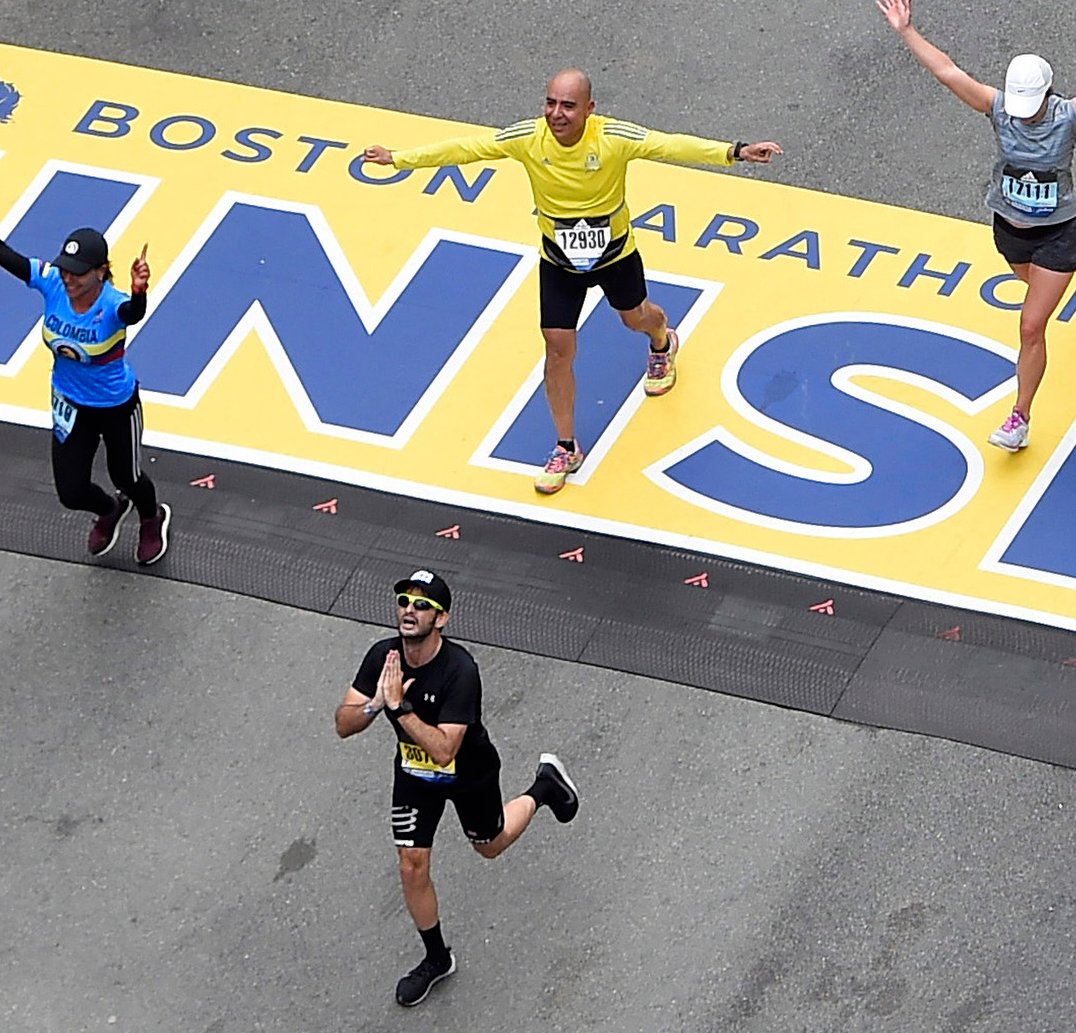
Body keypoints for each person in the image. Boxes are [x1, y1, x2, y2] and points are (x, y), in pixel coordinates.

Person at [363, 70, 782, 494]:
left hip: (615, 255)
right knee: (557, 346)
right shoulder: (528, 138)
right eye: (550, 103)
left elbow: (669, 144)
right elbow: (468, 149)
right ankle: (566, 446)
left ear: (589, 109)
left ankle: (661, 341)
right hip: (558, 261)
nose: (556, 114)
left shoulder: (612, 137)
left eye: (567, 106)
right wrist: (398, 158)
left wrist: (737, 151)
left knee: (636, 318)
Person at [875, 0, 1076, 451]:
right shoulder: (998, 110)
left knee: (1031, 326)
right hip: (1009, 230)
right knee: (1035, 290)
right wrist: (907, 31)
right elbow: (947, 72)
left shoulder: (1070, 116)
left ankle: (1020, 418)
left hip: (1057, 232)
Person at [334, 569, 581, 1007]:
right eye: (404, 601)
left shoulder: (460, 670)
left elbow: (446, 749)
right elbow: (343, 723)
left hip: (469, 773)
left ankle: (544, 787)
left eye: (422, 605)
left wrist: (401, 709)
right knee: (412, 865)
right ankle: (436, 958)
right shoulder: (382, 658)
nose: (410, 610)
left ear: (442, 618)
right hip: (414, 776)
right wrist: (375, 704)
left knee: (490, 845)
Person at [0, 179, 170, 564]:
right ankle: (110, 510)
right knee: (71, 492)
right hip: (69, 402)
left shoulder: (112, 304)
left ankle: (151, 516)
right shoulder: (51, 282)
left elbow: (134, 314)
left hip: (115, 406)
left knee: (127, 476)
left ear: (101, 271)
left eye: (78, 273)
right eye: (65, 270)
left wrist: (140, 290)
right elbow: (1, 252)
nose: (68, 279)